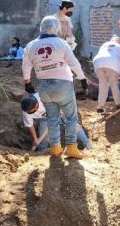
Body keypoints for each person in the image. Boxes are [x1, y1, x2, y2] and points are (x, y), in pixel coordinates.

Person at [22, 16, 88, 158]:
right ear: (56, 28)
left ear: (41, 28)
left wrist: (27, 82)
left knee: (52, 119)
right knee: (70, 118)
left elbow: (26, 66)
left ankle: (55, 148)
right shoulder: (61, 43)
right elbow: (74, 63)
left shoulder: (31, 45)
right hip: (63, 84)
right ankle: (71, 147)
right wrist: (82, 79)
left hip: (44, 87)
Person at [22, 94, 92, 151]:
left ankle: (88, 146)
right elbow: (30, 125)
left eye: (34, 110)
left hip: (61, 109)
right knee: (43, 131)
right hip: (45, 118)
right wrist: (36, 140)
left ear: (37, 103)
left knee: (74, 126)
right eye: (30, 112)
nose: (32, 113)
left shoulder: (45, 97)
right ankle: (41, 152)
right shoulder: (26, 111)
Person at [93, 35, 120, 113]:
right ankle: (118, 103)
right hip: (113, 64)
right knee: (114, 85)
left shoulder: (104, 44)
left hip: (97, 62)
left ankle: (101, 106)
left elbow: (103, 57)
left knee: (103, 85)